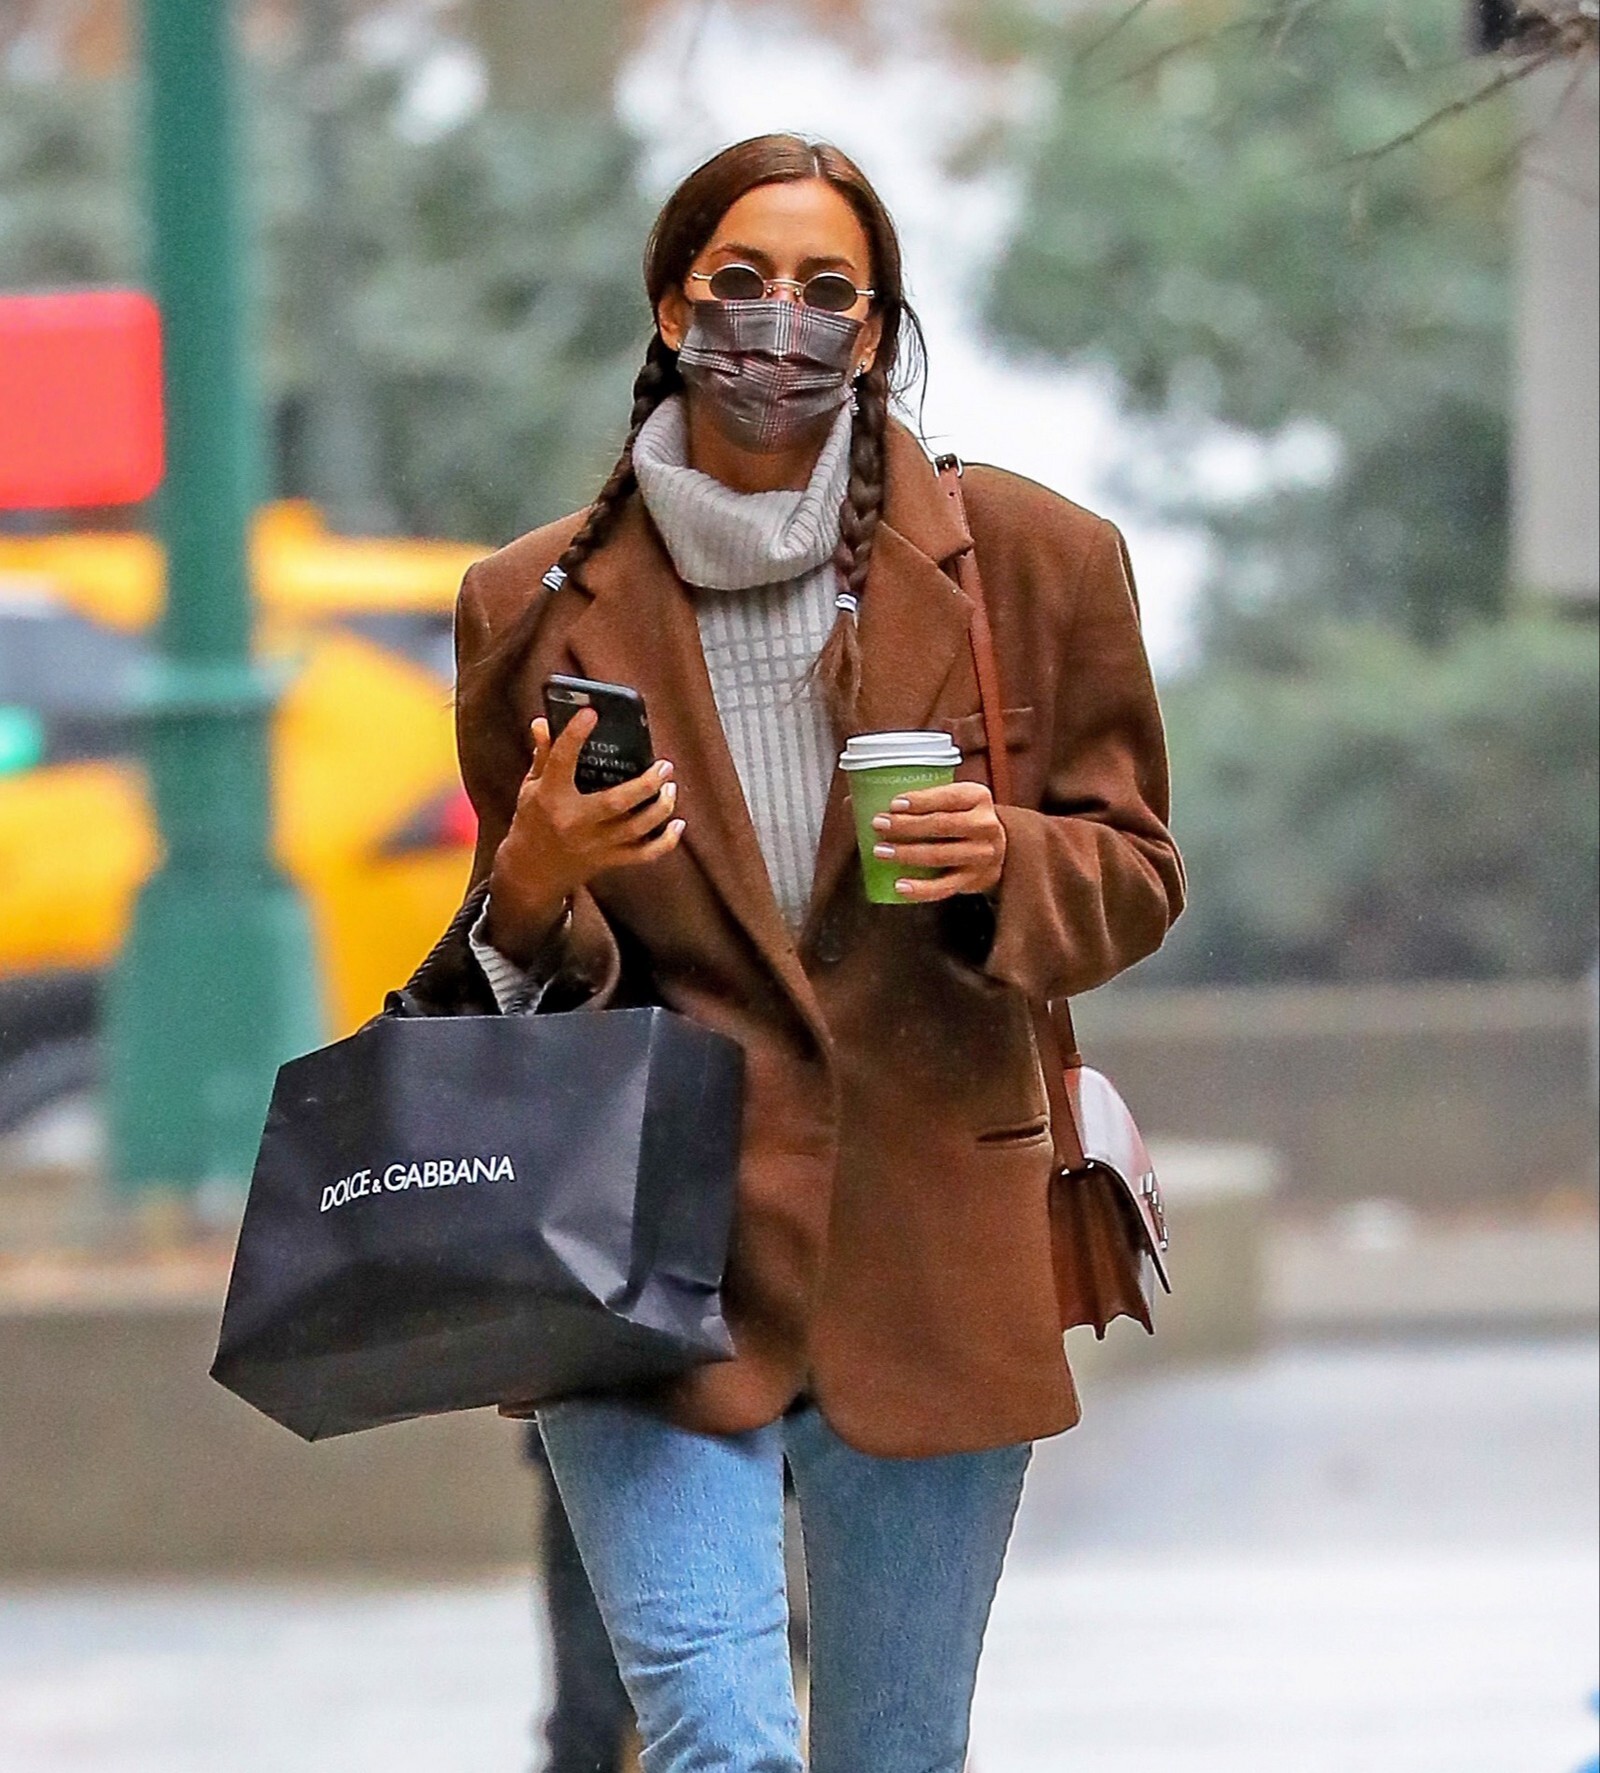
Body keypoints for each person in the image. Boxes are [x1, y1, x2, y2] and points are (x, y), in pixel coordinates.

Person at [437, 134, 1184, 1773]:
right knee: (720, 1741)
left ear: (875, 331)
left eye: (827, 289)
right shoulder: (527, 604)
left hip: (931, 1244)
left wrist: (1009, 859)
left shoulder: (1035, 561)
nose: (779, 319)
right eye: (742, 280)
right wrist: (539, 876)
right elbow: (519, 970)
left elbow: (1137, 870)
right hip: (647, 1261)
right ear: (671, 304)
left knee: (893, 1753)